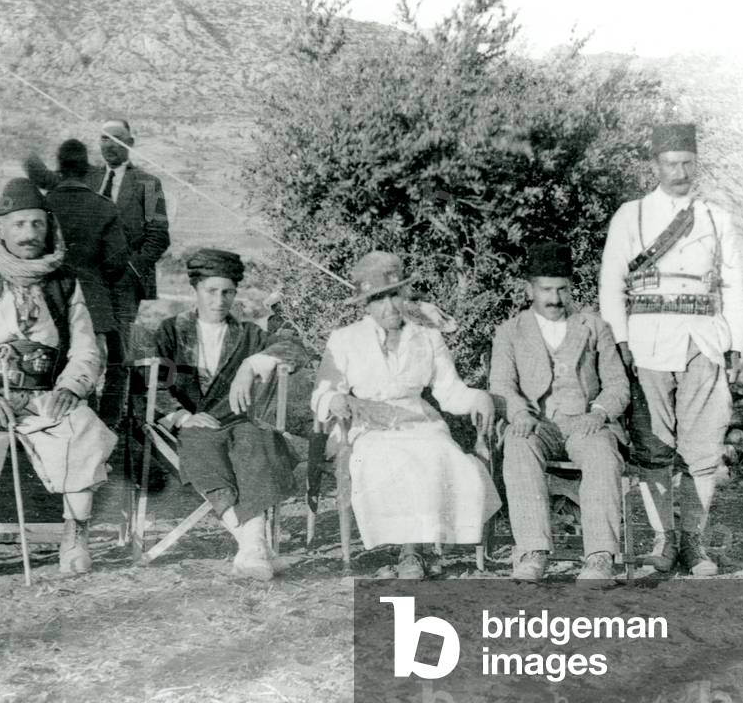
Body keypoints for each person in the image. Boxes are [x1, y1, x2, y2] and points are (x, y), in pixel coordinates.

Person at [0, 179, 117, 581]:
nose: (29, 234)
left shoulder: (65, 283)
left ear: (49, 228)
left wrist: (70, 387)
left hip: (45, 395)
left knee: (83, 427)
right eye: (20, 225)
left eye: (37, 224)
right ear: (0, 230)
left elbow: (85, 350)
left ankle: (74, 537)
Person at [599, 123, 743, 576]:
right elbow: (611, 282)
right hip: (647, 345)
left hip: (703, 341)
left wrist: (735, 344)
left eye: (687, 163)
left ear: (695, 164)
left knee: (702, 449)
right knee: (653, 448)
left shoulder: (716, 218)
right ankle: (663, 542)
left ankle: (693, 544)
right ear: (655, 165)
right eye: (670, 163)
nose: (679, 171)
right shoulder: (633, 215)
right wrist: (620, 340)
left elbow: (733, 284)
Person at [311, 251, 500, 579]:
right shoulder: (345, 340)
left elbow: (449, 391)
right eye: (378, 300)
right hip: (368, 426)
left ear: (405, 295)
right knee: (393, 458)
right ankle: (411, 553)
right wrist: (335, 400)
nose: (389, 308)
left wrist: (478, 398)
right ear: (365, 305)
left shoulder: (427, 336)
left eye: (394, 296)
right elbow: (321, 392)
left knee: (438, 452)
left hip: (420, 421)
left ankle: (417, 550)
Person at [154, 249, 307, 581]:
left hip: (237, 421)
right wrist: (181, 416)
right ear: (195, 290)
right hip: (190, 424)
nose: (220, 300)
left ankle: (252, 551)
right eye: (211, 291)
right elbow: (151, 384)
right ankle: (255, 547)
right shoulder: (171, 330)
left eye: (228, 292)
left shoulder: (248, 335)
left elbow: (294, 350)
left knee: (259, 439)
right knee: (203, 445)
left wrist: (251, 364)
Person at [490, 242, 630, 583]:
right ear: (530, 289)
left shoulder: (594, 327)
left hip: (585, 424)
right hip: (538, 424)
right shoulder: (511, 332)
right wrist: (519, 414)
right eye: (546, 290)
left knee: (602, 452)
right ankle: (533, 551)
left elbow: (617, 386)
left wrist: (598, 413)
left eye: (563, 289)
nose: (555, 298)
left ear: (571, 287)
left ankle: (599, 557)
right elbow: (502, 386)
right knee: (519, 444)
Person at [25, 119, 170, 425]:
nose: (110, 145)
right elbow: (44, 177)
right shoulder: (86, 176)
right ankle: (78, 418)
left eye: (117, 138)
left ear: (131, 140)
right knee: (76, 349)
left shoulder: (149, 183)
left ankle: (110, 423)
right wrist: (27, 142)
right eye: (104, 139)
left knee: (117, 355)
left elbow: (159, 235)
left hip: (123, 283)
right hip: (85, 284)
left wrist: (131, 270)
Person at [43, 139, 129, 423]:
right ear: (87, 170)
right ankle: (105, 428)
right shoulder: (103, 207)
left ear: (59, 169)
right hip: (95, 301)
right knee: (111, 365)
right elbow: (117, 262)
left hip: (50, 300)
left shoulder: (44, 206)